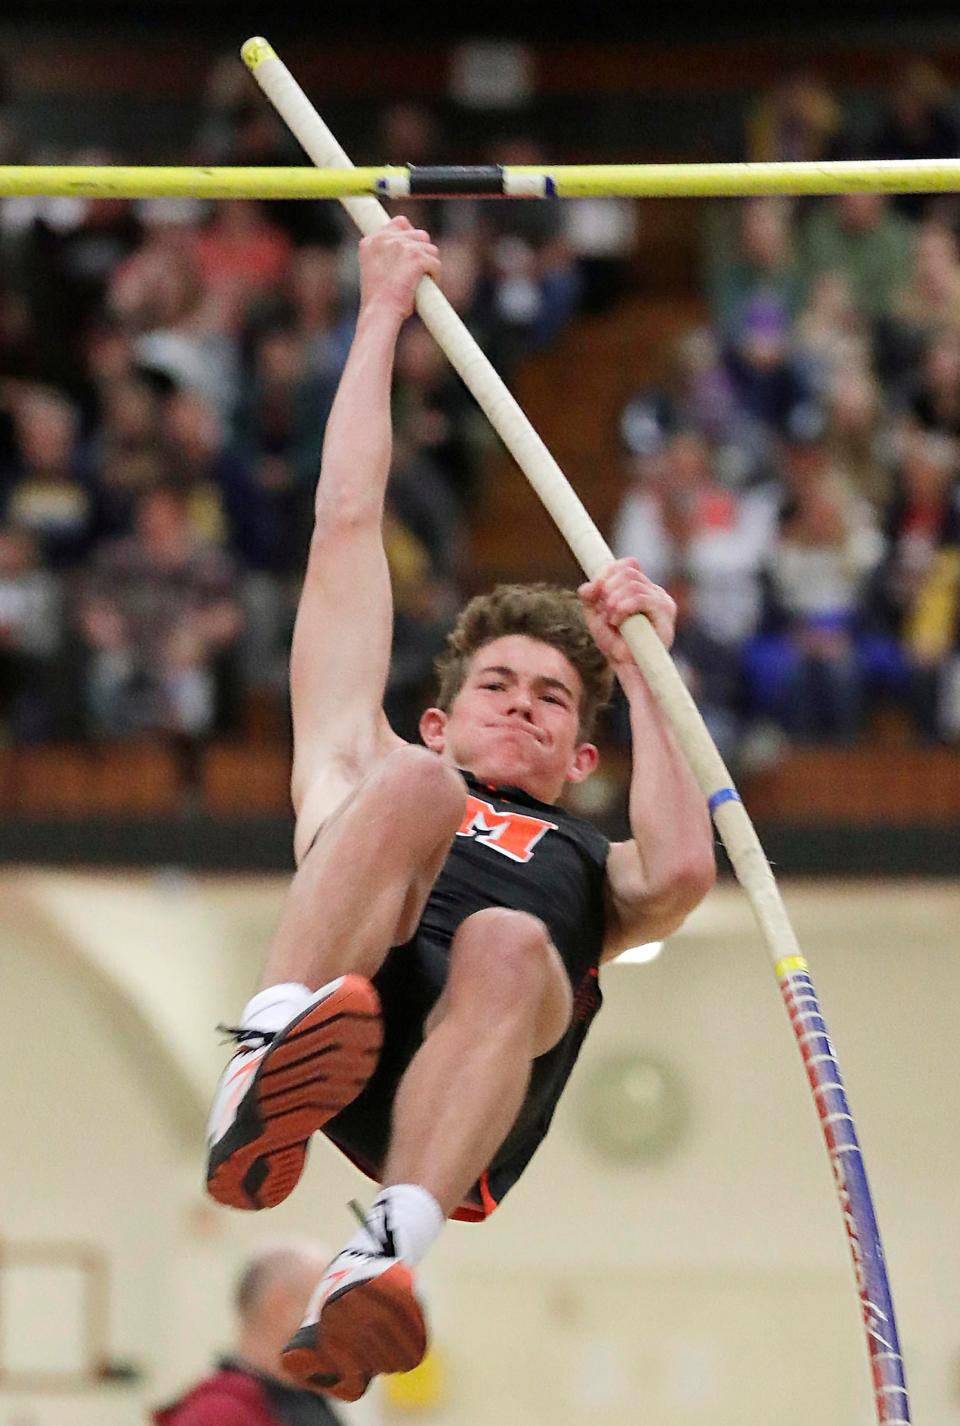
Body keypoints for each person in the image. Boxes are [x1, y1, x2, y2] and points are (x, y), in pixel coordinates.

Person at [204, 217, 716, 1401]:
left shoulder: (595, 865)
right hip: (347, 1003)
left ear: (584, 754)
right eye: (499, 687)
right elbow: (344, 527)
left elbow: (686, 869)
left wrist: (646, 667)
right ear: (440, 711)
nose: (525, 710)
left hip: (462, 1082)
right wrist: (380, 313)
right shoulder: (376, 760)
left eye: (553, 701)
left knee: (510, 938)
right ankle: (266, 1064)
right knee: (411, 799)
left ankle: (382, 1260)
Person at [152, 1240, 341, 1425]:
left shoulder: (305, 1401)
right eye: (328, 1305)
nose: (343, 1324)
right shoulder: (217, 1415)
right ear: (280, 1306)